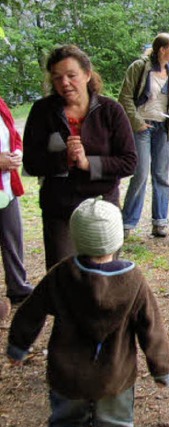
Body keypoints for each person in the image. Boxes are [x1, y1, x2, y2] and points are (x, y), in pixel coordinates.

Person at [7, 198, 169, 427]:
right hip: (115, 380)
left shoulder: (62, 275)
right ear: (117, 239)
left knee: (66, 426)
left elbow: (31, 311)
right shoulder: (134, 280)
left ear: (76, 237)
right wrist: (161, 368)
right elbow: (151, 325)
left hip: (67, 377)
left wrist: (18, 346)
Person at [23, 45, 137, 269]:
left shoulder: (110, 110)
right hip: (60, 208)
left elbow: (129, 162)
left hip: (102, 205)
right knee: (64, 277)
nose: (64, 83)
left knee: (104, 276)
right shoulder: (42, 111)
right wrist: (63, 159)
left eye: (71, 75)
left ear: (87, 74)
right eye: (57, 78)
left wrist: (88, 163)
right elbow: (31, 162)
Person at [118, 33, 169, 239]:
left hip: (162, 128)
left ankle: (160, 221)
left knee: (161, 175)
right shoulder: (139, 67)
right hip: (142, 127)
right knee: (141, 174)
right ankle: (127, 223)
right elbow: (125, 97)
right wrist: (137, 123)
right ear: (162, 50)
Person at [0, 96, 32, 305]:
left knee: (12, 236)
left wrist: (17, 154)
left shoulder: (1, 103)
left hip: (7, 187)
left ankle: (18, 287)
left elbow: (13, 135)